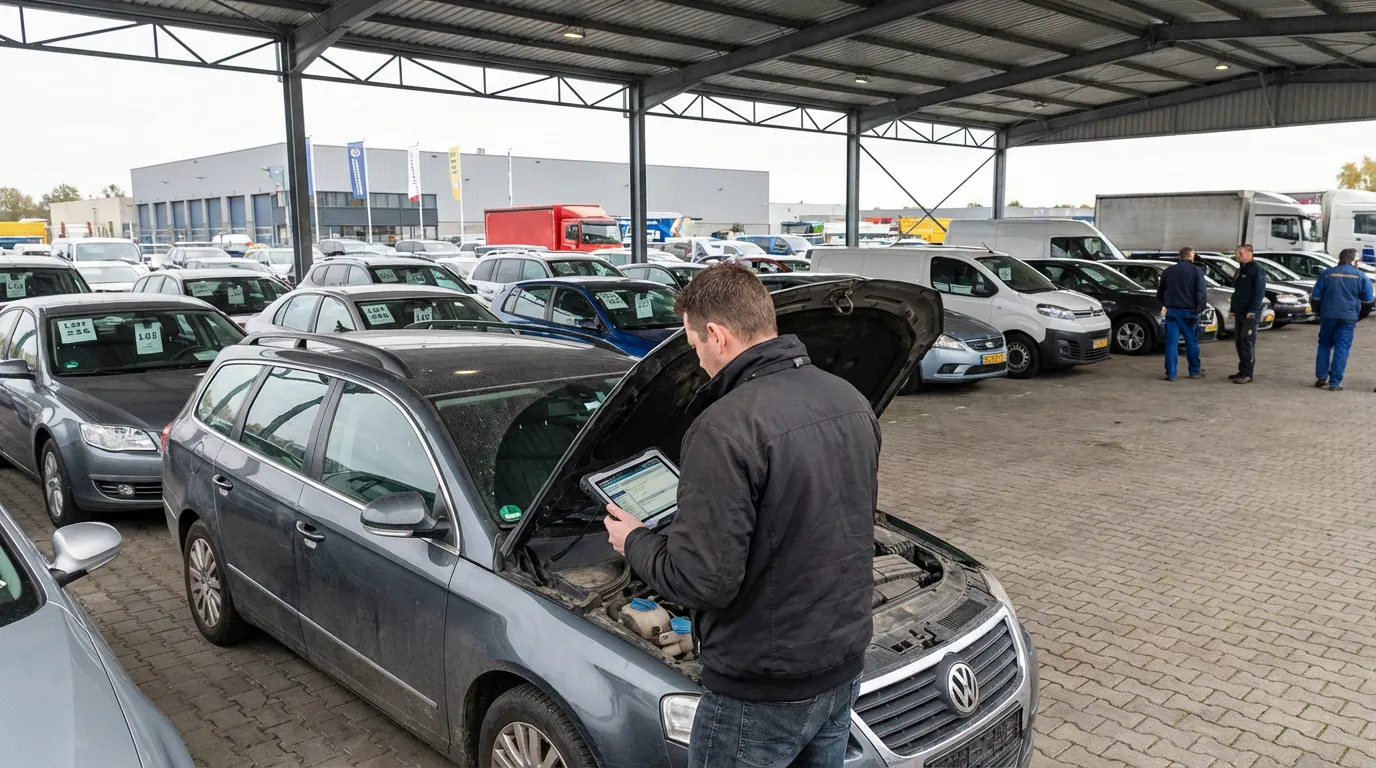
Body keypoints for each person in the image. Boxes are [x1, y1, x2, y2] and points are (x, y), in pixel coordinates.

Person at [602, 264, 880, 768]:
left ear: (716, 334)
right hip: (841, 667)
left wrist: (636, 540)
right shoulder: (849, 400)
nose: (700, 360)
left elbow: (704, 582)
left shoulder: (724, 427)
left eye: (695, 346)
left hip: (761, 692)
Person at [1310, 248, 1374, 392]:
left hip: (1328, 316)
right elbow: (1369, 300)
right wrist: (1359, 316)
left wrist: (1319, 312)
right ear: (1354, 261)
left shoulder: (1326, 274)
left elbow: (1315, 297)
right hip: (1348, 317)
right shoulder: (1360, 276)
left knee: (1324, 345)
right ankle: (1335, 383)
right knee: (1342, 348)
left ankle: (1321, 377)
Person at [1156, 246, 1209, 381]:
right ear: (1191, 256)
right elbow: (1201, 293)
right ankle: (1194, 371)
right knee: (1191, 342)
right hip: (1189, 312)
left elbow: (1160, 292)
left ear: (1179, 256)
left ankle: (1171, 373)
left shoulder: (1169, 271)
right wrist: (1199, 309)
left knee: (1171, 343)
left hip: (1172, 312)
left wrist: (1166, 304)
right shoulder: (1196, 271)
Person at [1229, 244, 1266, 384]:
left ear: (1250, 253)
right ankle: (1242, 370)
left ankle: (1248, 373)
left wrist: (1252, 312)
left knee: (1247, 341)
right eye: (1237, 253)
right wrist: (1234, 308)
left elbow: (1259, 294)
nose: (1237, 256)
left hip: (1249, 314)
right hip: (1239, 312)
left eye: (1241, 253)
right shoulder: (1242, 269)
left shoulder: (1257, 270)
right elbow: (1237, 290)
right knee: (1239, 342)